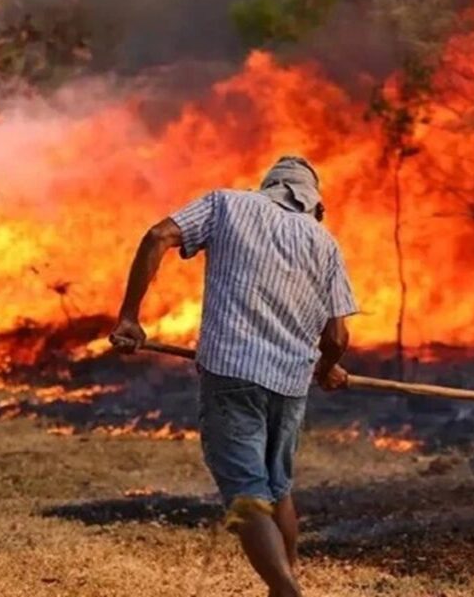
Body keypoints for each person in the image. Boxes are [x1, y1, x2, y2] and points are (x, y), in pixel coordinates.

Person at [109, 155, 357, 597]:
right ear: (313, 203)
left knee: (246, 492)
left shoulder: (227, 205)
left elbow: (158, 234)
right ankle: (286, 583)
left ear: (268, 187)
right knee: (277, 489)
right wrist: (325, 368)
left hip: (232, 373)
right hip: (289, 384)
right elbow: (338, 334)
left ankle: (285, 590)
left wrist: (130, 317)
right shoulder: (325, 242)